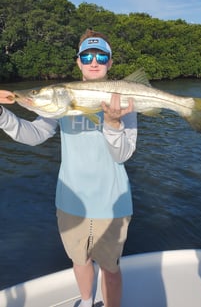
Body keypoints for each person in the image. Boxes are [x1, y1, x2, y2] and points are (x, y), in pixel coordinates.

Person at [0, 29, 137, 307]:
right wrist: (3, 116)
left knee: (111, 268)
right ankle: (87, 302)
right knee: (79, 260)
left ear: (110, 62)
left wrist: (112, 124)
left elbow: (122, 154)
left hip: (112, 203)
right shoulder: (61, 99)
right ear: (78, 62)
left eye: (101, 56)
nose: (94, 61)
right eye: (87, 55)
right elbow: (35, 135)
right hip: (70, 201)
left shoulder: (122, 100)